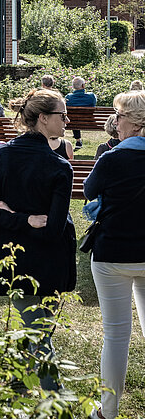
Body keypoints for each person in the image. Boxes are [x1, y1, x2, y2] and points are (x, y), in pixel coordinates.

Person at [0, 88, 76, 390]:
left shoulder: (2, 155)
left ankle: (17, 388)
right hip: (44, 263)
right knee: (39, 333)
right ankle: (55, 398)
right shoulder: (58, 166)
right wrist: (27, 218)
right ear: (43, 118)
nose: (67, 120)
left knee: (34, 328)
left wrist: (12, 213)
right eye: (62, 115)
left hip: (13, 257)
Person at [84, 91, 145, 419]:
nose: (115, 122)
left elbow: (89, 190)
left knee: (116, 335)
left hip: (112, 254)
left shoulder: (112, 157)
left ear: (136, 122)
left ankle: (107, 412)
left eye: (119, 116)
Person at [65, 76, 97, 151]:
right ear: (83, 86)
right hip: (89, 122)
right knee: (77, 118)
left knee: (75, 118)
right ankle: (78, 141)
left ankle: (78, 141)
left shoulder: (68, 97)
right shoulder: (91, 96)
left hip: (73, 123)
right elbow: (94, 104)